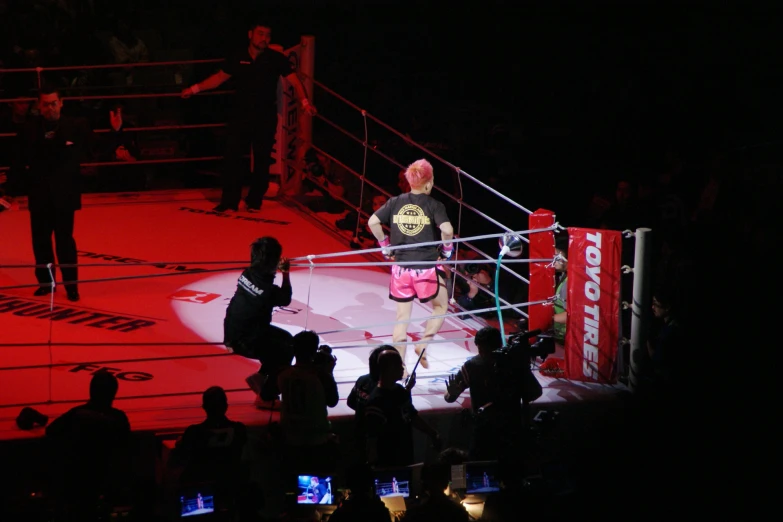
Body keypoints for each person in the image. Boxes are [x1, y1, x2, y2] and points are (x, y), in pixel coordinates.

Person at [181, 19, 317, 213]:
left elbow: (295, 81)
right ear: (250, 34)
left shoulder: (275, 58)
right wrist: (194, 89)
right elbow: (219, 78)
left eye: (267, 35)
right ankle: (229, 201)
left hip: (265, 117)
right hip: (239, 115)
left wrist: (305, 102)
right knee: (232, 158)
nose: (264, 38)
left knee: (262, 161)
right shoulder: (238, 57)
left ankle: (254, 201)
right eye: (260, 34)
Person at [10, 86, 126, 302]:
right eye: (45, 104)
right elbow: (18, 162)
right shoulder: (29, 129)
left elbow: (96, 148)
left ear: (61, 103)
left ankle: (71, 286)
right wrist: (9, 191)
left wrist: (115, 132)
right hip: (39, 195)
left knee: (65, 242)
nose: (50, 107)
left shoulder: (76, 125)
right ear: (39, 106)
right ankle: (46, 284)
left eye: (54, 103)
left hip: (65, 195)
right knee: (41, 242)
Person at [368, 159, 454, 371]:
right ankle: (423, 344)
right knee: (441, 306)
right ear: (428, 182)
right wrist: (447, 252)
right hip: (425, 267)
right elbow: (448, 230)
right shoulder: (434, 205)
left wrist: (385, 246)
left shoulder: (395, 201)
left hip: (401, 268)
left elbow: (372, 222)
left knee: (402, 318)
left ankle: (400, 367)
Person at [444, 326, 541, 461]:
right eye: (480, 350)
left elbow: (535, 392)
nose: (483, 354)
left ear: (499, 346)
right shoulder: (472, 366)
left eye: (487, 350)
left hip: (510, 428)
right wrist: (451, 394)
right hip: (483, 430)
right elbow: (449, 397)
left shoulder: (512, 364)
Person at [223, 236, 294, 407]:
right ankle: (266, 396)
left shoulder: (247, 273)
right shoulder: (268, 290)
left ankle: (261, 377)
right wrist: (285, 273)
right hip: (247, 339)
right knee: (287, 348)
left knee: (285, 339)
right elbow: (285, 299)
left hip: (233, 331)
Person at [365, 349, 440, 467]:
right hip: (388, 461)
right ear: (389, 368)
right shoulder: (376, 401)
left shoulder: (400, 391)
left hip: (405, 455)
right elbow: (372, 438)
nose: (402, 368)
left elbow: (412, 415)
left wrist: (432, 433)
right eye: (399, 365)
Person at [552, 233, 569, 344]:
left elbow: (572, 315)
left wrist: (548, 319)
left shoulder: (569, 283)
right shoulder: (564, 275)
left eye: (557, 256)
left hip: (564, 339)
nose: (553, 260)